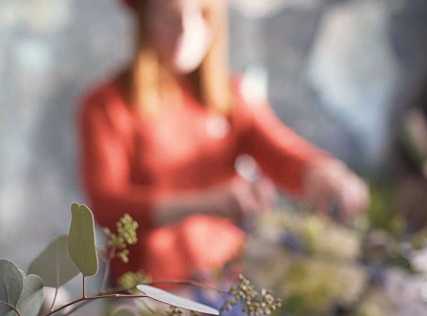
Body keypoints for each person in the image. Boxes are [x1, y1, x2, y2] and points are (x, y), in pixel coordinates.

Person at [78, 0, 369, 285]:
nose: (185, 29)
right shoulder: (107, 105)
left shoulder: (231, 95)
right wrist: (205, 203)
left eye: (201, 14)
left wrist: (321, 171)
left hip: (227, 281)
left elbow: (278, 149)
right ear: (144, 19)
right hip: (147, 289)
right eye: (170, 15)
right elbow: (107, 206)